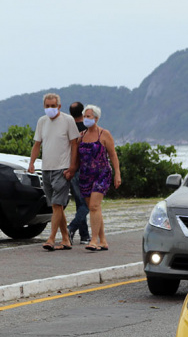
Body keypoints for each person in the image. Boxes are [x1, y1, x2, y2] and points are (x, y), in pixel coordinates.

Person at [28, 93, 80, 251]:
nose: (50, 109)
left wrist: (72, 167)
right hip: (46, 169)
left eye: (53, 106)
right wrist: (31, 163)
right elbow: (37, 144)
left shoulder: (68, 120)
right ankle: (66, 239)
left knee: (57, 204)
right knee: (55, 206)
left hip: (62, 169)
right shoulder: (42, 122)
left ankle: (51, 238)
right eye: (47, 106)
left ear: (59, 106)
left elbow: (74, 144)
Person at [77, 105, 121, 251]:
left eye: (89, 116)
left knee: (94, 206)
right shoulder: (81, 136)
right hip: (85, 175)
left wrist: (117, 173)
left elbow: (113, 155)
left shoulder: (104, 134)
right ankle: (103, 240)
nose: (86, 119)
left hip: (102, 174)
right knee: (94, 208)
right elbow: (76, 157)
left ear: (96, 118)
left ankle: (93, 240)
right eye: (85, 116)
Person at [66, 101, 91, 245]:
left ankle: (84, 235)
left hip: (71, 168)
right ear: (82, 112)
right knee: (88, 204)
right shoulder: (87, 129)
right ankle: (71, 227)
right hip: (85, 169)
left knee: (80, 203)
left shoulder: (69, 128)